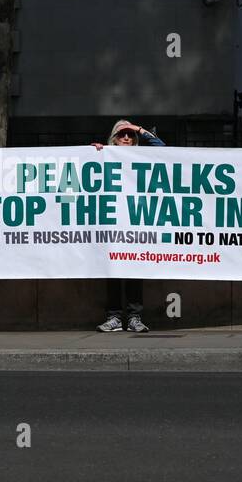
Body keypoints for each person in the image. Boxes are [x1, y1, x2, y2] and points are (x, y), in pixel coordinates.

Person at [93, 119, 165, 332]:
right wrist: (92, 153)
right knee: (113, 271)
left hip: (135, 224)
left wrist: (139, 129)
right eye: (121, 134)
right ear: (113, 139)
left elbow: (162, 149)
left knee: (134, 269)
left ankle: (134, 318)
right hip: (112, 226)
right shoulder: (103, 154)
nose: (126, 137)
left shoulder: (143, 156)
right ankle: (114, 318)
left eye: (130, 135)